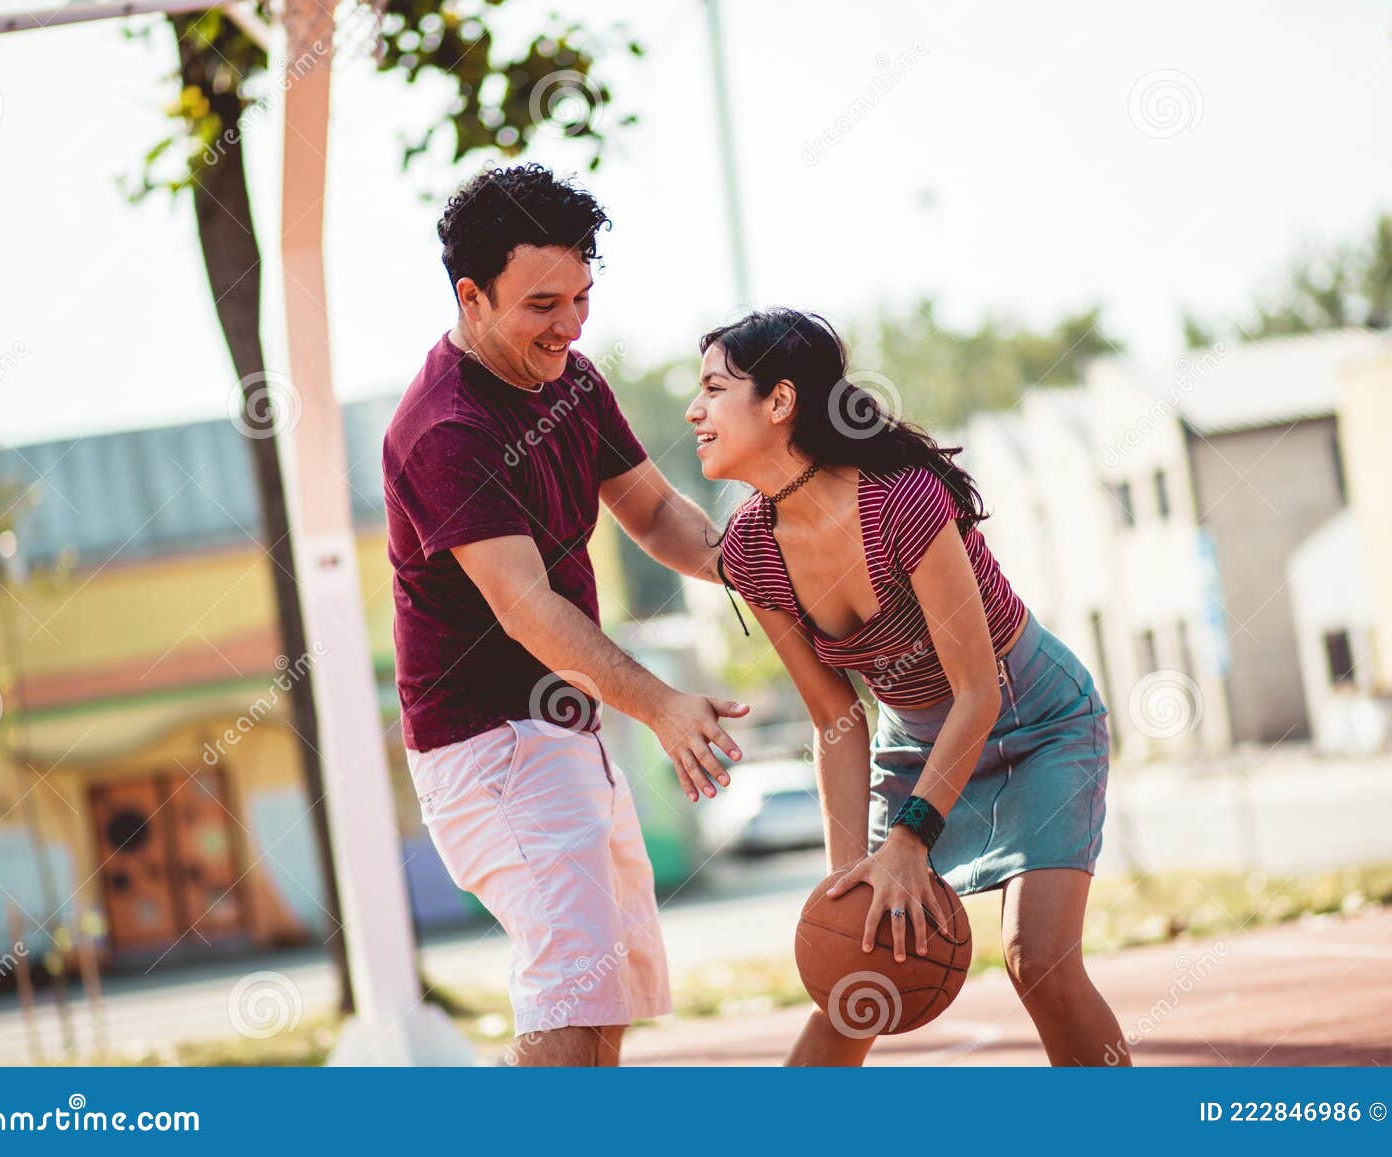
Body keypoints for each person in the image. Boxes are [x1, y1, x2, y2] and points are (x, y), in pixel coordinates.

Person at [690, 308, 1128, 1067]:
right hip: (914, 739)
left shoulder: (904, 500)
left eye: (713, 389)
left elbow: (978, 691)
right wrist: (842, 885)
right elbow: (835, 718)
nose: (694, 411)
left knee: (1040, 961)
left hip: (1037, 720)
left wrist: (908, 838)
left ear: (781, 402)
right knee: (848, 973)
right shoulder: (750, 551)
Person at [383, 164, 746, 1067]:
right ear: (471, 296)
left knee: (604, 1003)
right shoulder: (446, 428)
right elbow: (524, 607)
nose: (572, 324)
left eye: (582, 296)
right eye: (543, 304)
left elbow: (658, 515)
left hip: (563, 731)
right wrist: (663, 705)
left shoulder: (573, 381)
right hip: (490, 748)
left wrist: (764, 570)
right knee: (572, 996)